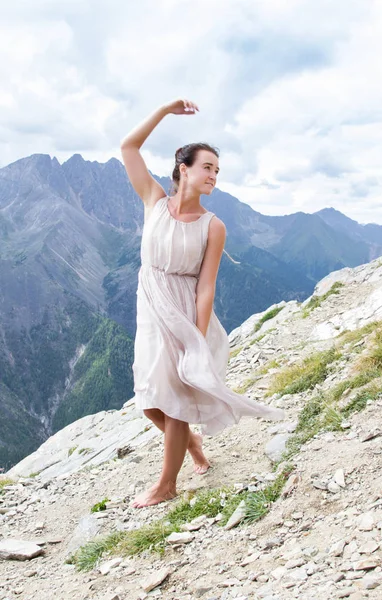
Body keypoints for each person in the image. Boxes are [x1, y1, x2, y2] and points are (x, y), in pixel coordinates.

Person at [120, 98, 284, 508]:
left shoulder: (215, 226)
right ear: (184, 170)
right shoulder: (154, 202)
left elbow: (206, 285)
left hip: (185, 313)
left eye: (217, 170)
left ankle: (166, 485)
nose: (213, 175)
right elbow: (128, 148)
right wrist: (162, 111)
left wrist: (196, 337)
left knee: (175, 399)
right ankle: (192, 447)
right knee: (149, 401)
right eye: (207, 167)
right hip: (150, 305)